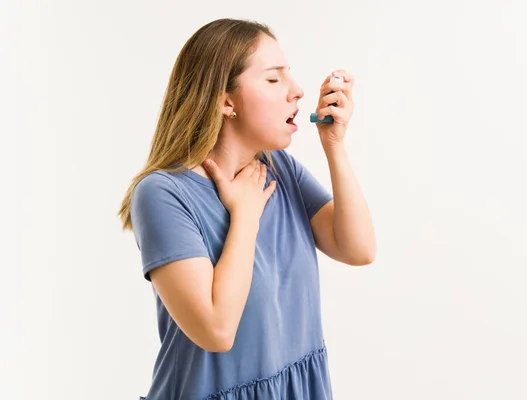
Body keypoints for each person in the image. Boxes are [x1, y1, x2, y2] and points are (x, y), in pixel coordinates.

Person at [118, 18, 376, 400]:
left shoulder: (278, 168)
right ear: (225, 100)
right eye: (274, 79)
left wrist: (334, 145)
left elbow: (358, 249)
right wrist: (245, 214)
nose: (298, 91)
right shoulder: (161, 194)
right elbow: (217, 330)